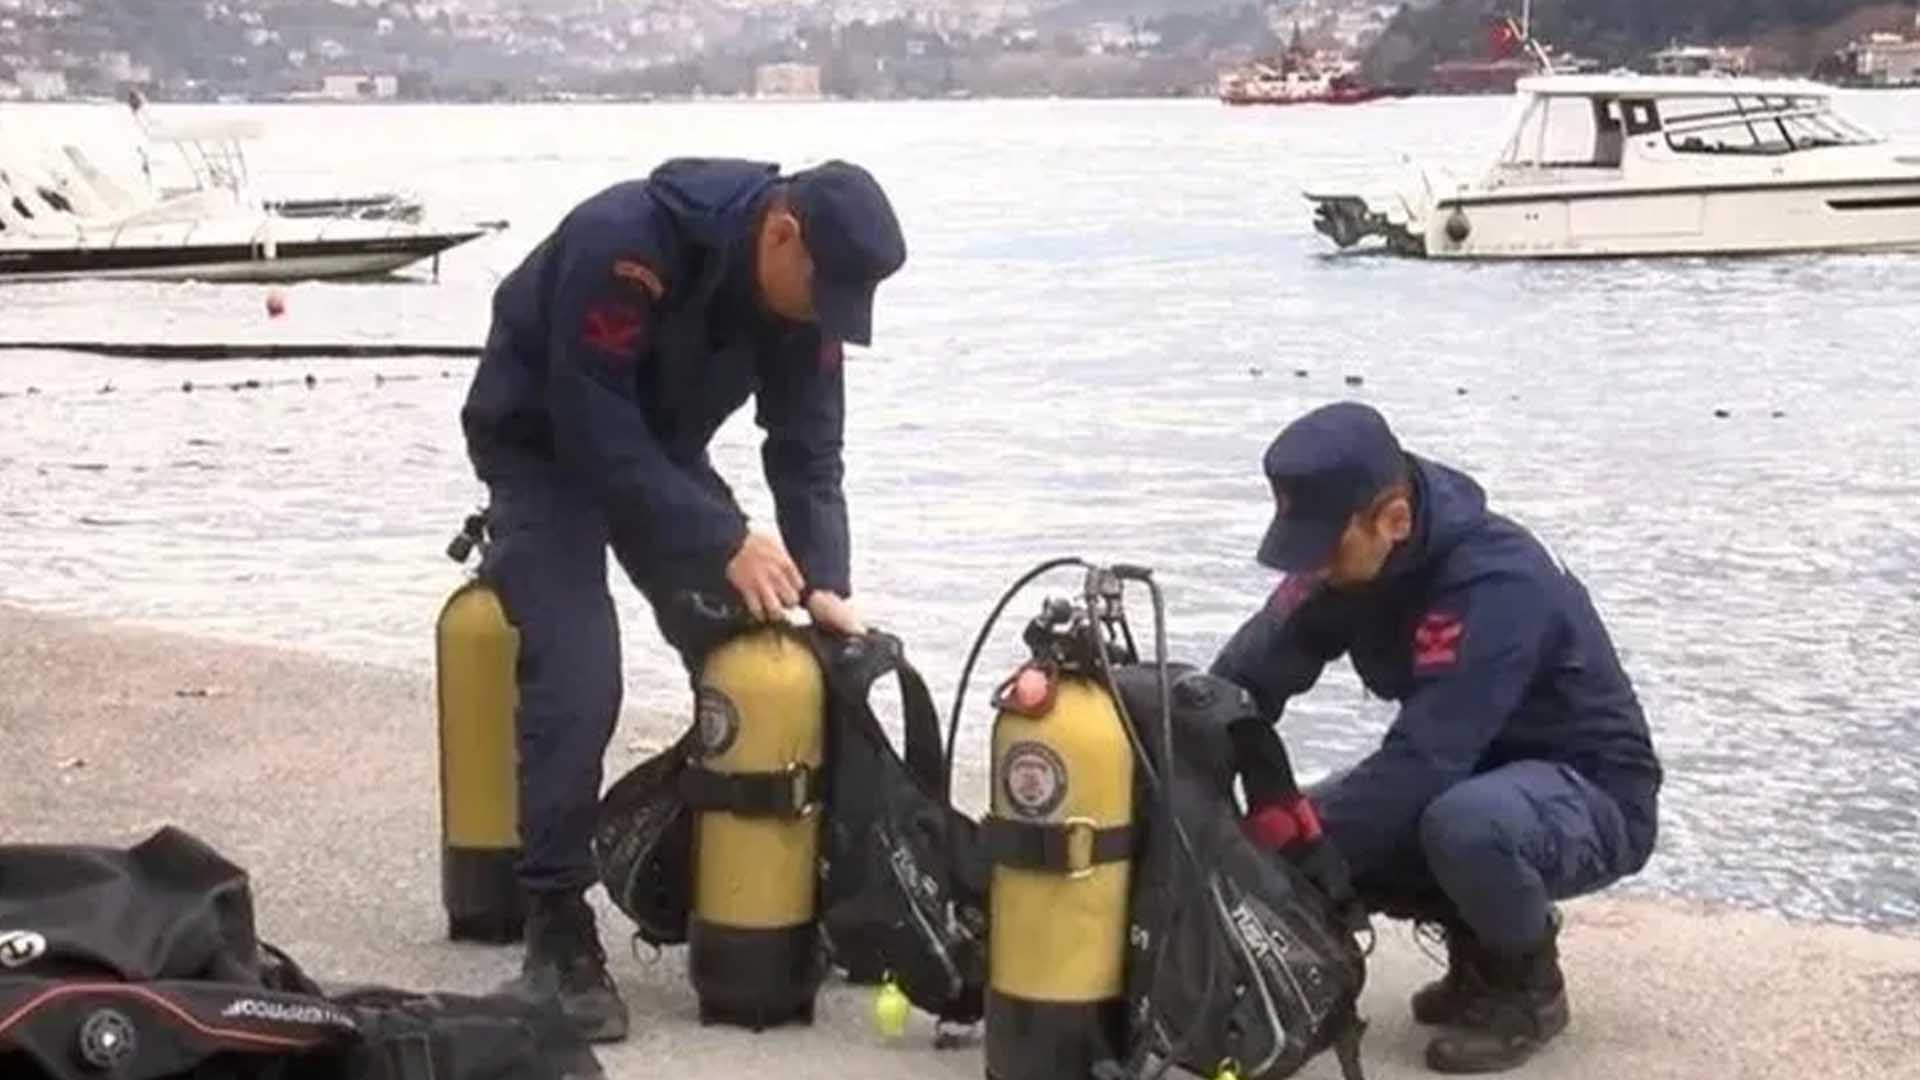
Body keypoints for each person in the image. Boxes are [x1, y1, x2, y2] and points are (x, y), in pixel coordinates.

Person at [458, 157, 907, 1042]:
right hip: (543, 450)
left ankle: (765, 884)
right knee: (581, 671)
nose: (827, 317)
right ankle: (555, 928)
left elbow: (808, 451)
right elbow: (590, 425)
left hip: (658, 450)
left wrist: (824, 586)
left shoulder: (803, 294)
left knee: (766, 656)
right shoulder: (625, 244)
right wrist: (720, 539)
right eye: (824, 293)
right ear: (782, 235)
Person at [1210, 401, 1662, 1074]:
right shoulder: (1352, 559)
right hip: (1474, 774)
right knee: (1325, 829)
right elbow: (1246, 680)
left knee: (1441, 827)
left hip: (1590, 792)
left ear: (1393, 519)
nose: (1315, 569)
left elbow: (1424, 764)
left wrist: (1289, 846)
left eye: (1326, 549)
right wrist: (1188, 758)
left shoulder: (1497, 582)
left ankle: (1526, 988)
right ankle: (1477, 952)